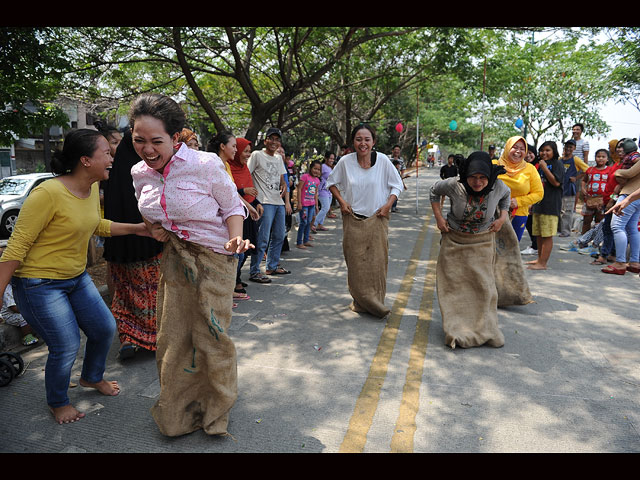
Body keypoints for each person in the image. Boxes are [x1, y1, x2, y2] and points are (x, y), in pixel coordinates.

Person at [0, 128, 157, 425]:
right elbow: (17, 245)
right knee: (66, 343)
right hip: (39, 283)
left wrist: (137, 228)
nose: (112, 157)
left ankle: (91, 377)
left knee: (103, 328)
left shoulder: (89, 191)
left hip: (75, 277)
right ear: (85, 160)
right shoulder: (47, 193)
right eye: (106, 153)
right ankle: (58, 402)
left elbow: (96, 224)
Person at [129, 93, 251, 437]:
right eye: (139, 140)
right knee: (174, 338)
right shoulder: (139, 172)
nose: (148, 150)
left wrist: (235, 238)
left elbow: (232, 208)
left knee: (212, 337)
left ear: (176, 136)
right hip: (175, 261)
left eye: (156, 141)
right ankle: (179, 413)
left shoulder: (205, 164)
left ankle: (216, 411)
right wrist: (154, 228)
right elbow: (148, 209)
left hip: (214, 258)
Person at [430, 151, 510, 349]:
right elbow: (434, 191)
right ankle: (457, 328)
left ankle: (484, 329)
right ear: (465, 175)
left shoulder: (498, 186)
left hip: (482, 242)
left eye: (483, 177)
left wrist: (502, 218)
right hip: (454, 241)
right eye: (473, 177)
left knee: (484, 287)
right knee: (454, 287)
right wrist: (439, 218)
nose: (477, 182)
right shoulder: (453, 185)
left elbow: (506, 198)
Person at [326, 123, 404, 318]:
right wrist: (342, 202)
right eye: (359, 139)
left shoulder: (384, 161)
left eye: (367, 139)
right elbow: (331, 183)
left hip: (378, 219)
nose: (363, 143)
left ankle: (377, 302)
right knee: (355, 263)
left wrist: (388, 205)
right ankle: (360, 302)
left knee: (377, 263)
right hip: (353, 220)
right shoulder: (345, 161)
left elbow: (397, 185)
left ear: (373, 142)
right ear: (353, 142)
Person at [102, 128, 165, 359]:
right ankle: (151, 339)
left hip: (119, 248)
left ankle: (128, 338)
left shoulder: (113, 177)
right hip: (148, 246)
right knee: (151, 293)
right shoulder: (145, 175)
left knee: (124, 294)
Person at [247, 127, 292, 282]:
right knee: (263, 238)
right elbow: (247, 173)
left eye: (277, 139)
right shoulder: (257, 155)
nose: (274, 142)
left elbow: (281, 176)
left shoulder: (279, 158)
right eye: (271, 139)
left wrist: (284, 185)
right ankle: (254, 270)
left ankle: (271, 266)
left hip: (278, 201)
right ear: (265, 140)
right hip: (264, 202)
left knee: (280, 235)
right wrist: (251, 196)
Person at [228, 137, 263, 294]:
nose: (247, 154)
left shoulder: (244, 168)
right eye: (245, 151)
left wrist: (257, 202)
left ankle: (237, 278)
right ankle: (235, 281)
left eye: (249, 151)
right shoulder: (227, 167)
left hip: (249, 212)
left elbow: (250, 189)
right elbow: (230, 190)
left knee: (246, 250)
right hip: (237, 213)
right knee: (239, 251)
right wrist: (244, 192)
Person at [494, 136, 544, 242]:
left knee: (511, 249)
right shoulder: (494, 165)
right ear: (507, 148)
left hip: (518, 214)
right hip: (493, 213)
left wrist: (518, 201)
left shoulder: (530, 169)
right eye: (515, 147)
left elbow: (539, 193)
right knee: (490, 249)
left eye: (522, 149)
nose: (518, 151)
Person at [602, 138, 640, 275]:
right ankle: (635, 262)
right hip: (631, 196)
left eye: (621, 147)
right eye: (617, 147)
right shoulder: (622, 162)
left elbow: (623, 179)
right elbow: (618, 186)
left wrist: (620, 173)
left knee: (617, 226)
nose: (618, 149)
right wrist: (612, 200)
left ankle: (620, 262)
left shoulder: (634, 158)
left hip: (629, 196)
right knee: (631, 228)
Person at [526, 141, 564, 270]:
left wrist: (545, 169)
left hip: (550, 205)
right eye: (542, 150)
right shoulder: (540, 165)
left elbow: (556, 183)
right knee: (538, 234)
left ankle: (543, 263)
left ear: (554, 151)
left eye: (548, 150)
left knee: (547, 235)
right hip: (538, 204)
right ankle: (539, 259)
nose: (544, 153)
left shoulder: (557, 164)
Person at [0, 247, 38, 346]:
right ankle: (26, 337)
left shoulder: (16, 285)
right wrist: (26, 310)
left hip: (20, 308)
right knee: (24, 317)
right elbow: (12, 307)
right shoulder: (7, 290)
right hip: (10, 314)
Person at [559, 139, 589, 237]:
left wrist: (576, 178)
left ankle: (566, 232)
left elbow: (587, 170)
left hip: (569, 189)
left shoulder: (575, 159)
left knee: (567, 211)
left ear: (574, 148)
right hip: (558, 189)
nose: (568, 148)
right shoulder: (560, 159)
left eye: (570, 147)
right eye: (567, 146)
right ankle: (559, 230)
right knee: (559, 210)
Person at [580, 149, 612, 235]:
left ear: (607, 159)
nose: (600, 158)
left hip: (603, 201)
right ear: (595, 158)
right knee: (586, 221)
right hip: (589, 200)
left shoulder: (610, 170)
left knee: (599, 222)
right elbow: (584, 181)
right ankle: (583, 241)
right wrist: (583, 189)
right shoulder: (590, 170)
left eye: (603, 157)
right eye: (598, 156)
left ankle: (595, 243)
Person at [296, 160, 321, 249]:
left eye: (318, 169)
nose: (316, 171)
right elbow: (299, 189)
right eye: (315, 168)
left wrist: (316, 206)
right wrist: (299, 203)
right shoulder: (305, 177)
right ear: (311, 168)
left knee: (309, 222)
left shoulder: (317, 180)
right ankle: (299, 242)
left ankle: (306, 240)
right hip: (304, 205)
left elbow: (316, 193)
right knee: (303, 222)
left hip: (311, 205)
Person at [521, 144, 539, 255]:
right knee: (529, 223)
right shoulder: (521, 166)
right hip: (525, 200)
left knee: (533, 224)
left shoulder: (538, 166)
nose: (528, 155)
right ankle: (535, 245)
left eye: (530, 153)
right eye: (526, 153)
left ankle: (535, 246)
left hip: (535, 200)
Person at [312, 151, 335, 232]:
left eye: (333, 159)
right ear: (326, 158)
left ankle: (320, 225)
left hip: (329, 191)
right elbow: (316, 175)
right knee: (326, 207)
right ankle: (313, 224)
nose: (332, 160)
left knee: (326, 208)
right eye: (330, 158)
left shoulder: (330, 167)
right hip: (322, 190)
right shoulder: (323, 167)